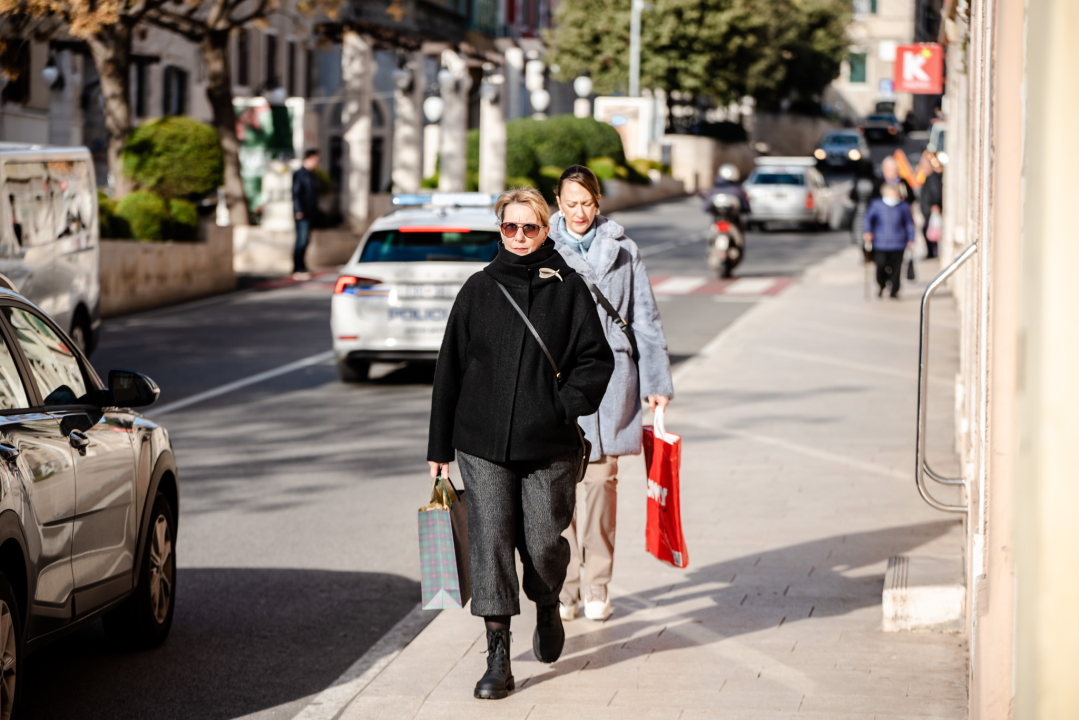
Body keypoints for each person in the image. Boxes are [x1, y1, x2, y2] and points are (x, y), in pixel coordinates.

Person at [427, 187, 615, 700]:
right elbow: (450, 371)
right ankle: (498, 655)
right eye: (509, 228)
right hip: (480, 443)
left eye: (528, 228)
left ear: (545, 229)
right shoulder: (478, 289)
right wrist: (439, 450)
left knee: (541, 542)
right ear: (500, 230)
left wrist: (560, 405)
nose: (518, 237)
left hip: (548, 444)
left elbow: (597, 361)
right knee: (489, 541)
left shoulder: (568, 288)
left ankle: (548, 598)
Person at [549, 165, 674, 622]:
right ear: (557, 204)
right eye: (570, 203)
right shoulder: (544, 249)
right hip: (559, 379)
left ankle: (598, 582)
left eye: (587, 203)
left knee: (601, 481)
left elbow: (646, 317)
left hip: (613, 378)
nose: (579, 212)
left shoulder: (623, 250)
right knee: (560, 485)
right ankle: (566, 585)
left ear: (598, 203)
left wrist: (657, 383)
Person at [863, 182, 915, 298]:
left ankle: (894, 290)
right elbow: (868, 219)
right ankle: (882, 284)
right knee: (880, 265)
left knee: (896, 268)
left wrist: (911, 238)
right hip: (880, 242)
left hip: (899, 242)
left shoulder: (903, 206)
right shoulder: (876, 205)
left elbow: (909, 223)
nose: (892, 196)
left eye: (894, 194)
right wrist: (867, 231)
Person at [291, 149, 320, 278]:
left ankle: (302, 266)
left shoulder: (312, 174)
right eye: (315, 160)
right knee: (301, 240)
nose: (317, 163)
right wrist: (298, 210)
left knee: (306, 240)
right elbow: (296, 193)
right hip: (302, 213)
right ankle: (297, 267)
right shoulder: (300, 174)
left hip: (309, 212)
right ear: (309, 159)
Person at [920, 152, 944, 259]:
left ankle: (932, 253)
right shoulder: (928, 177)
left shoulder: (933, 178)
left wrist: (935, 204)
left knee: (930, 231)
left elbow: (936, 192)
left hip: (931, 209)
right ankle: (931, 252)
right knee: (927, 230)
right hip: (927, 209)